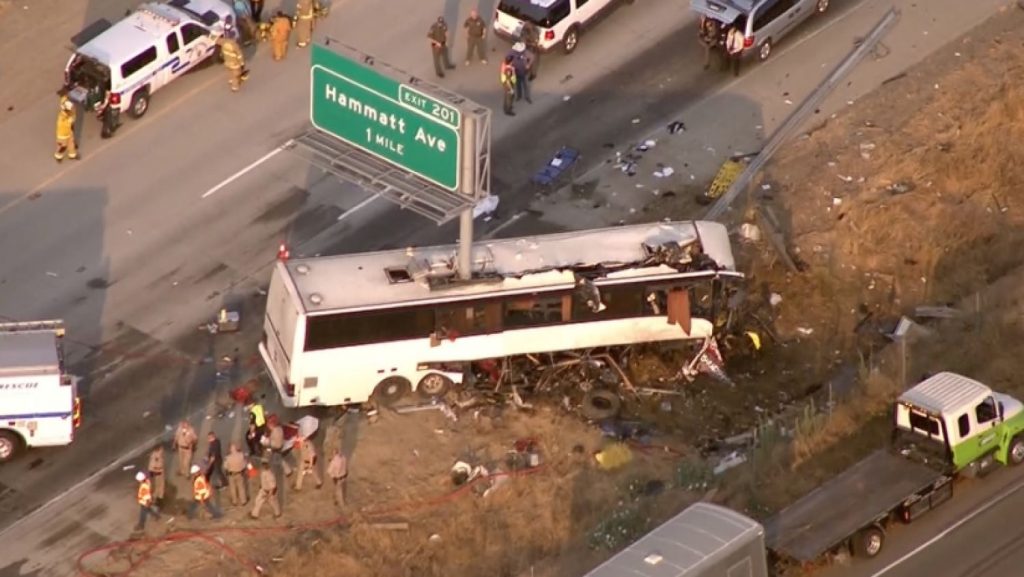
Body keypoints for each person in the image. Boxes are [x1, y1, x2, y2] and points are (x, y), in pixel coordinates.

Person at [54, 98, 78, 162]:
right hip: (62, 135)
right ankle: (58, 156)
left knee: (71, 144)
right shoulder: (62, 118)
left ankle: (72, 155)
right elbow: (69, 122)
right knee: (62, 147)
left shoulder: (67, 112)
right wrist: (71, 119)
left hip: (69, 133)